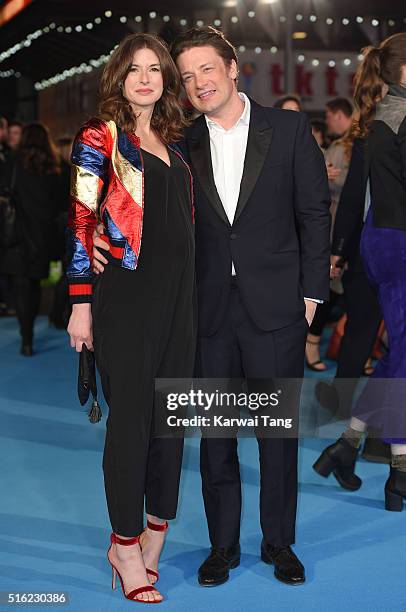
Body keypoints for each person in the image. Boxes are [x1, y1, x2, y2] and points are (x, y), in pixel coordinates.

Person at [95, 26, 330, 586]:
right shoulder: (179, 141)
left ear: (232, 68)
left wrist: (313, 293)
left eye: (207, 68)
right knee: (216, 436)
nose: (198, 81)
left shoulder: (290, 128)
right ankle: (221, 545)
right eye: (188, 73)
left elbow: (314, 214)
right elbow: (139, 207)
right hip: (204, 311)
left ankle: (279, 542)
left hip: (277, 307)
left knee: (277, 434)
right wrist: (96, 240)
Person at [66, 33, 195, 604]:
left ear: (166, 78)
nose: (145, 78)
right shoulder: (101, 137)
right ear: (118, 76)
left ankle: (155, 530)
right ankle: (123, 544)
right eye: (134, 69)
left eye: (155, 69)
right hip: (127, 297)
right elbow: (79, 221)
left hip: (180, 299)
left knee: (173, 422)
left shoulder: (176, 143)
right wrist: (80, 302)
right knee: (132, 424)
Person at [313, 33, 406, 510]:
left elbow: (353, 196)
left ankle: (349, 447)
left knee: (393, 352)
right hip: (395, 244)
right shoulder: (394, 120)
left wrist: (341, 249)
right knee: (393, 351)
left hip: (376, 243)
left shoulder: (373, 120)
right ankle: (389, 464)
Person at [0, 123, 61, 355]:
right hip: (41, 236)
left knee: (21, 287)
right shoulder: (55, 167)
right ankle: (29, 335)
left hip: (16, 234)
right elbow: (60, 204)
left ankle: (26, 336)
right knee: (34, 286)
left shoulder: (12, 163)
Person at [305, 98, 354, 371]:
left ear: (338, 115)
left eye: (329, 115)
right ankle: (312, 342)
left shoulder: (350, 146)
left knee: (343, 290)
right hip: (335, 228)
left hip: (349, 228)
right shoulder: (338, 148)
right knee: (329, 286)